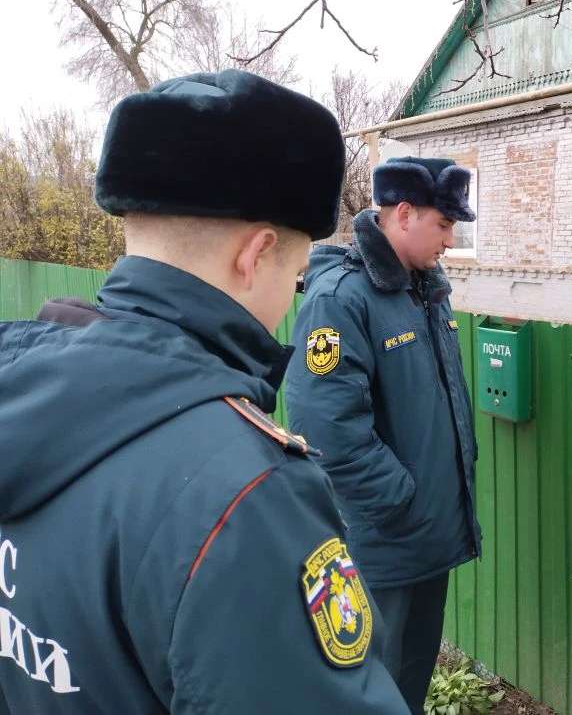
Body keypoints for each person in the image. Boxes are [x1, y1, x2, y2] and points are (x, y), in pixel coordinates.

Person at [0, 70, 407, 714]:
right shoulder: (245, 492)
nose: (293, 297)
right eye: (298, 274)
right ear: (256, 254)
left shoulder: (23, 389)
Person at [285, 156, 480, 714]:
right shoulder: (341, 297)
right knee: (372, 686)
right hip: (384, 541)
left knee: (411, 679)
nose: (451, 240)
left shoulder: (426, 289)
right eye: (444, 224)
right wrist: (401, 501)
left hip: (429, 534)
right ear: (404, 214)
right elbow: (326, 428)